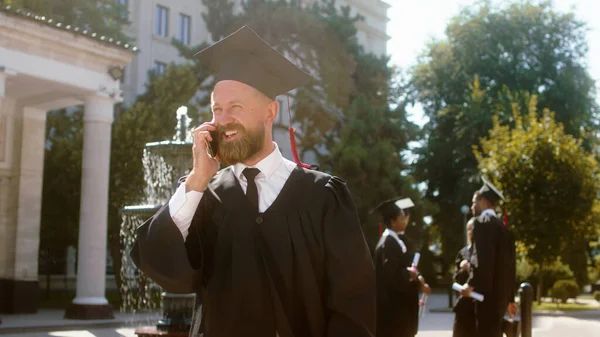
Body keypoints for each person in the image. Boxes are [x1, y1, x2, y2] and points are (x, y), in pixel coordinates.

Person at [130, 26, 376, 337]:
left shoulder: (322, 196)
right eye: (216, 109)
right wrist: (197, 179)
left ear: (270, 111)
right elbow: (166, 271)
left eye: (235, 107)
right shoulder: (204, 195)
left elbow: (353, 307)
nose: (222, 120)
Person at [461, 177, 517, 337]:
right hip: (500, 298)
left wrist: (471, 284)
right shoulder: (503, 228)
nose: (472, 206)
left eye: (474, 202)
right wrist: (510, 298)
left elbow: (482, 259)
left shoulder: (482, 223)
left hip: (486, 297)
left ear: (484, 201)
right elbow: (510, 266)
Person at [373, 197, 431, 337]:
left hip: (400, 306)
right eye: (401, 218)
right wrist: (408, 274)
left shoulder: (396, 241)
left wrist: (416, 278)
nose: (405, 221)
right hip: (393, 308)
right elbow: (390, 274)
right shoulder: (388, 243)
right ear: (392, 222)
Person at [452, 218, 476, 337]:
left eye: (473, 229)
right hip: (464, 304)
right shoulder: (463, 253)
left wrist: (471, 268)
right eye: (468, 229)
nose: (471, 232)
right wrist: (462, 269)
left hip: (478, 304)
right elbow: (456, 278)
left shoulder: (484, 252)